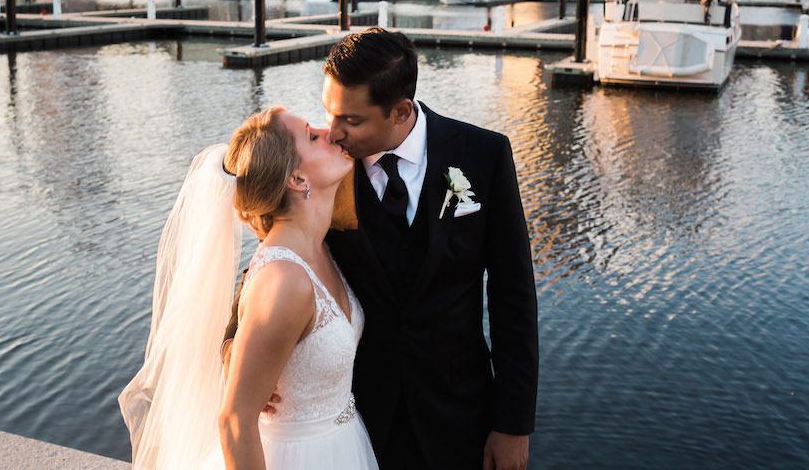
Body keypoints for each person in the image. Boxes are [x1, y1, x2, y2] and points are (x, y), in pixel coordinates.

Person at [225, 28, 539, 469]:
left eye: (350, 120)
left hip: (461, 414)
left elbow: (514, 297)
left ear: (399, 110)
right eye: (328, 114)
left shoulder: (483, 155)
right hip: (362, 419)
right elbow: (275, 253)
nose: (333, 133)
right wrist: (233, 342)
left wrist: (513, 423)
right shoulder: (326, 175)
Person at [119, 108, 379, 469]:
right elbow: (234, 420)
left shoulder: (319, 247)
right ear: (297, 177)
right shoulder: (284, 280)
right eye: (313, 135)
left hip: (342, 446)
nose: (329, 132)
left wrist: (233, 345)